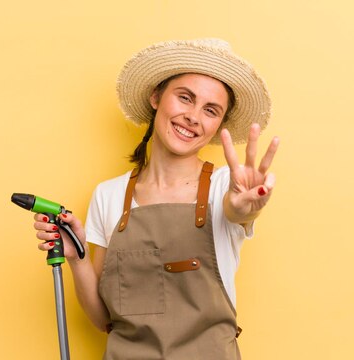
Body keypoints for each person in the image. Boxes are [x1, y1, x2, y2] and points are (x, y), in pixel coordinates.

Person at [32, 38, 279, 359]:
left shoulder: (225, 187)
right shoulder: (109, 196)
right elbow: (102, 319)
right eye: (185, 98)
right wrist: (76, 258)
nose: (193, 116)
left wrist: (245, 207)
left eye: (210, 110)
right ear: (156, 97)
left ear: (219, 126)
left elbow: (237, 211)